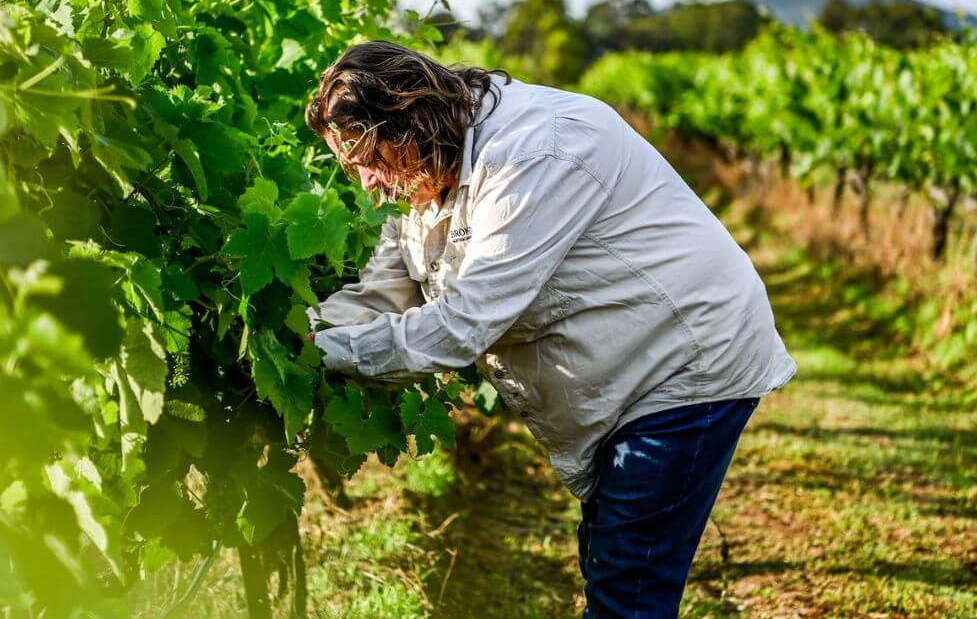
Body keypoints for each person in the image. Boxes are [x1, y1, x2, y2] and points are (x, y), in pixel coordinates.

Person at [303, 40, 796, 618]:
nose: (366, 185)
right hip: (623, 367)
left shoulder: (538, 151)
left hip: (684, 362)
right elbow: (383, 292)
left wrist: (320, 355)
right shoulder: (427, 171)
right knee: (611, 558)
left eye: (370, 163)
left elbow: (462, 327)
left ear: (409, 124)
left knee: (628, 586)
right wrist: (296, 339)